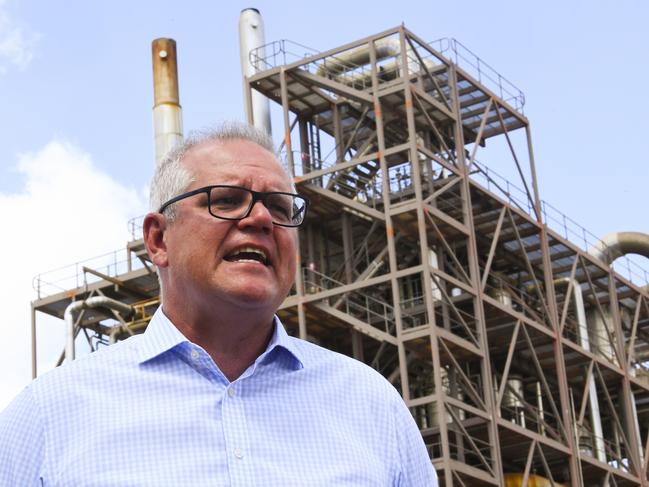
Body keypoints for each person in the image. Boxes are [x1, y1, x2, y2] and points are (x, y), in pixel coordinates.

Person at [0, 122, 437, 486]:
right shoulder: (49, 416)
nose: (261, 219)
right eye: (226, 200)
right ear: (158, 239)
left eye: (280, 207)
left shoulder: (370, 406)